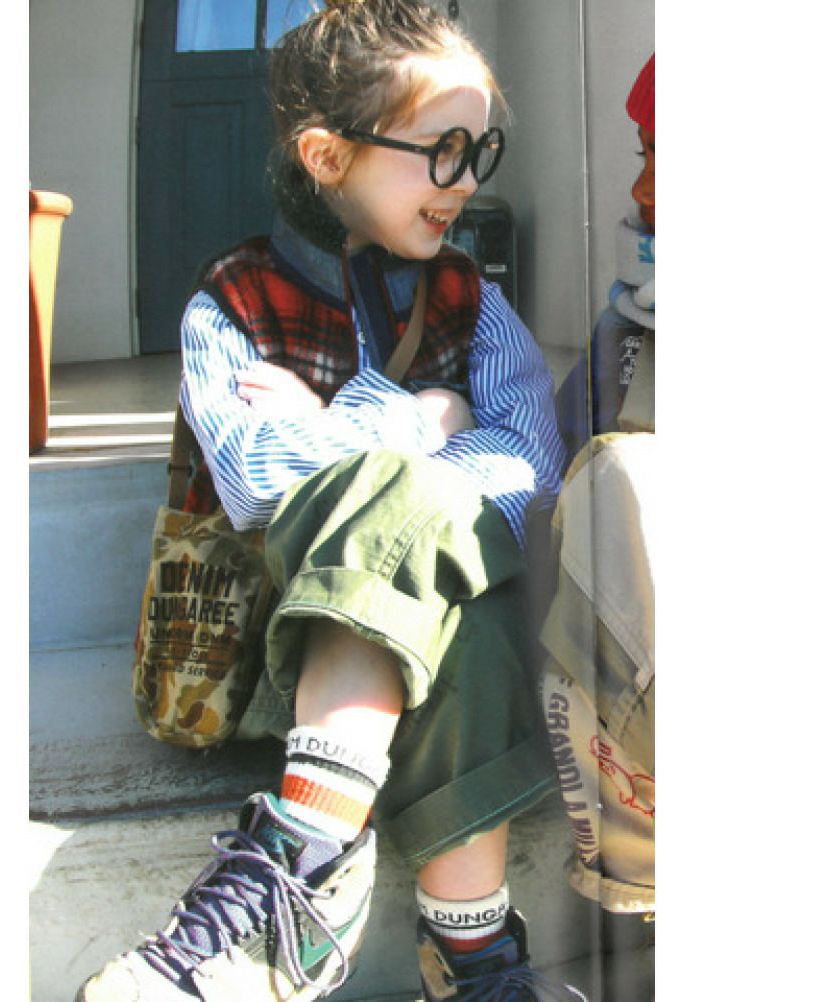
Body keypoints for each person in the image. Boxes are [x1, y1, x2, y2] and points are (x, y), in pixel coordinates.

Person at [78, 3, 579, 1000]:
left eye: (481, 151)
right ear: (326, 155)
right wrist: (418, 421)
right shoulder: (229, 303)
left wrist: (334, 428)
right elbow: (254, 482)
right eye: (442, 152)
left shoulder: (475, 302)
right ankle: (477, 957)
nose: (468, 182)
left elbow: (533, 473)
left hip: (419, 643)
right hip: (285, 651)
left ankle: (305, 856)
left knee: (438, 546)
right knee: (419, 525)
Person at [538, 52, 656, 998]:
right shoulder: (622, 346)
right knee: (613, 480)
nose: (643, 190)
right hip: (642, 747)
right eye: (645, 153)